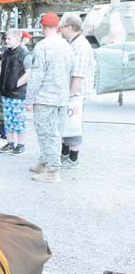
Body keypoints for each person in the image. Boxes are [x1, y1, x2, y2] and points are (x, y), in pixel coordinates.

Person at [25, 12, 73, 183]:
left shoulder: (42, 46)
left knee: (47, 134)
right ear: (58, 27)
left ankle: (53, 170)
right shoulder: (67, 45)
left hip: (45, 97)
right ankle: (44, 162)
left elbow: (37, 75)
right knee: (55, 133)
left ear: (43, 27)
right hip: (61, 97)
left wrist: (29, 99)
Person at [58, 13, 95, 168]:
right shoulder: (75, 43)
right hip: (74, 93)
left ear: (70, 27)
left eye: (63, 27)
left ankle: (73, 158)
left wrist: (70, 95)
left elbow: (77, 75)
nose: (61, 30)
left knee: (73, 124)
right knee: (68, 124)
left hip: (76, 94)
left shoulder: (80, 46)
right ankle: (65, 154)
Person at [0, 29, 32, 155]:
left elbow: (29, 73)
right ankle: (11, 143)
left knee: (19, 120)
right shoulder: (6, 53)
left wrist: (15, 85)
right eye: (6, 38)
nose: (6, 41)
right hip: (6, 92)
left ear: (17, 39)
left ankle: (21, 144)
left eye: (9, 38)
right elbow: (1, 68)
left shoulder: (25, 54)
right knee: (8, 120)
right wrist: (1, 82)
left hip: (18, 94)